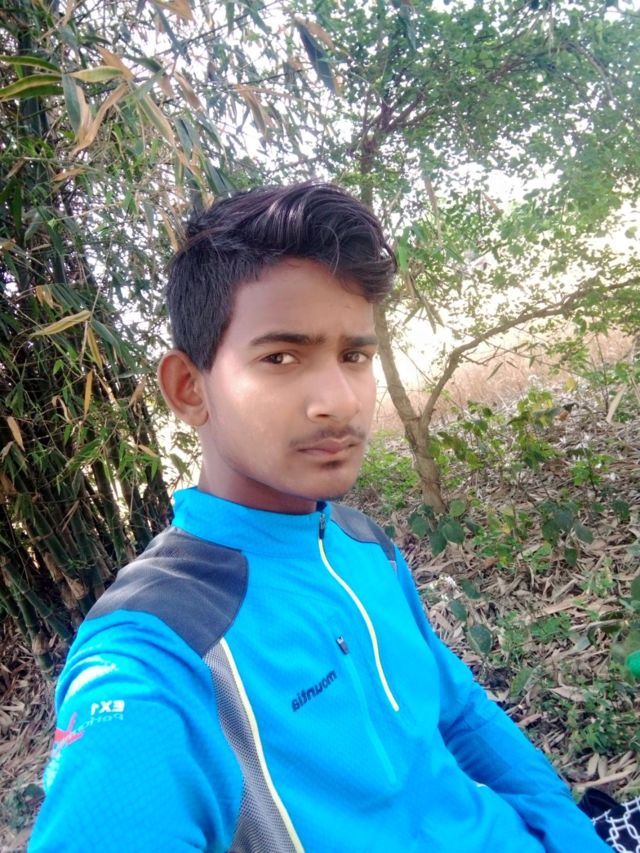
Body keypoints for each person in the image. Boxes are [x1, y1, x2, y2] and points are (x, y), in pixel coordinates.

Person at [29, 182, 610, 852]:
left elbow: (460, 711)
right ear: (190, 389)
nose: (339, 400)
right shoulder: (165, 646)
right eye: (281, 357)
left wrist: (574, 836)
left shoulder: (362, 544)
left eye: (354, 356)